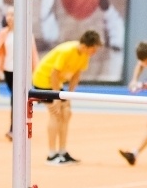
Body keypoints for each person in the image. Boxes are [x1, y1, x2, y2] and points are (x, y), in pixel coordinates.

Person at [32, 29, 102, 165]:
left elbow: (76, 75)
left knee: (67, 113)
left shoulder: (84, 56)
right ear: (85, 46)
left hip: (56, 83)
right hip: (43, 80)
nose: (95, 52)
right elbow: (54, 73)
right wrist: (57, 98)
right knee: (55, 113)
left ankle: (62, 152)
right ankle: (51, 155)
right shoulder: (67, 51)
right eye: (94, 49)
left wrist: (69, 97)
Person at [0, 5, 39, 141]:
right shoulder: (3, 33)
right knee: (16, 98)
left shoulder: (26, 33)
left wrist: (35, 72)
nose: (10, 17)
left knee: (16, 98)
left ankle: (14, 129)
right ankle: (17, 127)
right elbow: (0, 52)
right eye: (8, 15)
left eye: (13, 15)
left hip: (21, 72)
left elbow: (33, 54)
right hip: (8, 71)